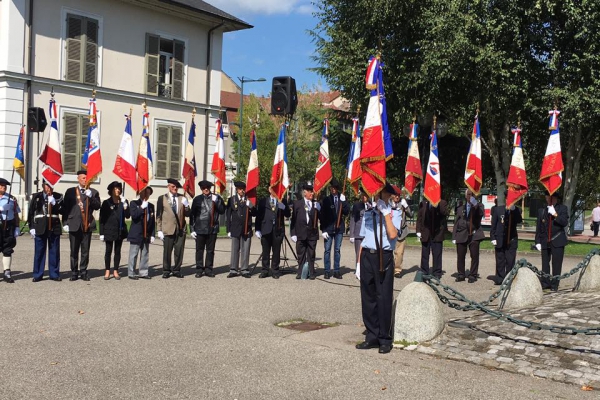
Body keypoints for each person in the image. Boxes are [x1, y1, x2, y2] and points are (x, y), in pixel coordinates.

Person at [355, 183, 401, 354]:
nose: (374, 195)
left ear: (387, 195)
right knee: (368, 297)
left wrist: (386, 214)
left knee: (383, 297)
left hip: (384, 256)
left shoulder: (395, 213)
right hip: (368, 255)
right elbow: (364, 239)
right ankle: (372, 336)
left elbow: (393, 234)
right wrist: (359, 263)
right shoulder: (368, 213)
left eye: (378, 193)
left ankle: (384, 339)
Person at [62, 170, 101, 281]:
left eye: (86, 178)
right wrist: (65, 223)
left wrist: (91, 197)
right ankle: (74, 272)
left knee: (85, 250)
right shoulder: (70, 191)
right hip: (74, 224)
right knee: (74, 250)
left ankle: (83, 271)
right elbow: (65, 208)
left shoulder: (93, 192)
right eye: (83, 178)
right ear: (78, 179)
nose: (85, 180)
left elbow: (98, 206)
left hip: (87, 224)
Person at [28, 180, 63, 282]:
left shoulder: (58, 196)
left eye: (51, 185)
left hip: (54, 227)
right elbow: (31, 213)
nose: (49, 187)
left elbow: (63, 210)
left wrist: (54, 203)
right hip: (40, 227)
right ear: (43, 185)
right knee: (39, 252)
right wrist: (32, 227)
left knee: (54, 252)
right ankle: (38, 274)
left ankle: (54, 274)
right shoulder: (36, 196)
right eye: (47, 185)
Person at [156, 178, 190, 278]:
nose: (175, 188)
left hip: (180, 228)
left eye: (176, 187)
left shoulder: (182, 198)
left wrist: (187, 205)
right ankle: (166, 270)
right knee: (167, 251)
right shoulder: (162, 198)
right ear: (168, 187)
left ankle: (176, 269)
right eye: (173, 186)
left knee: (179, 250)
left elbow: (188, 214)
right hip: (168, 228)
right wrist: (159, 230)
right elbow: (159, 215)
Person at [191, 180, 225, 278]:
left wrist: (217, 201)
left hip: (212, 228)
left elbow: (222, 211)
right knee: (199, 250)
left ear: (210, 188)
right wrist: (192, 229)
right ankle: (199, 269)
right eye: (203, 188)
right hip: (200, 228)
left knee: (210, 250)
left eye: (208, 188)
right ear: (201, 189)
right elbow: (192, 215)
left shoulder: (217, 198)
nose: (206, 189)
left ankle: (209, 269)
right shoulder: (197, 199)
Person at [535, 191, 568, 291]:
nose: (549, 199)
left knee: (556, 264)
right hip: (545, 240)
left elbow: (564, 222)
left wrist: (555, 214)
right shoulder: (542, 211)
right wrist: (537, 241)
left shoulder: (562, 208)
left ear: (556, 199)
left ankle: (554, 285)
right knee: (545, 263)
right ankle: (545, 282)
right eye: (548, 197)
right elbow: (539, 227)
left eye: (552, 198)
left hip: (557, 239)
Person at [255, 188, 291, 279]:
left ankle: (275, 270)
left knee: (276, 251)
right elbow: (259, 216)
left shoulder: (282, 200)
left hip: (278, 230)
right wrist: (257, 229)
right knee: (265, 251)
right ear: (269, 190)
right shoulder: (263, 201)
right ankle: (265, 270)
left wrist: (284, 207)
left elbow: (288, 214)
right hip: (266, 229)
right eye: (272, 188)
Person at [452, 189, 485, 283]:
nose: (470, 196)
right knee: (460, 256)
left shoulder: (479, 206)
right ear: (466, 196)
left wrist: (475, 205)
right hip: (462, 233)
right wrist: (454, 236)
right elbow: (456, 222)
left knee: (474, 256)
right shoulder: (460, 208)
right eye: (468, 194)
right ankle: (461, 274)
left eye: (472, 194)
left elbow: (480, 214)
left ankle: (473, 275)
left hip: (474, 234)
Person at [319, 179, 350, 279]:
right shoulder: (326, 200)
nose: (333, 189)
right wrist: (323, 229)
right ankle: (327, 270)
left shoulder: (342, 199)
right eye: (332, 187)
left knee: (337, 250)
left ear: (337, 189)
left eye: (335, 188)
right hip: (328, 228)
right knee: (327, 250)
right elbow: (322, 215)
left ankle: (336, 270)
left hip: (339, 229)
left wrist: (344, 202)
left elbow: (346, 211)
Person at [99, 182, 130, 280]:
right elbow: (102, 219)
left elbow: (128, 215)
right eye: (116, 189)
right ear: (111, 190)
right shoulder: (106, 202)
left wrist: (125, 206)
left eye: (119, 189)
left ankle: (115, 270)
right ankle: (107, 270)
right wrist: (101, 233)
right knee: (108, 251)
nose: (118, 190)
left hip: (119, 230)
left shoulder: (124, 202)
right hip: (109, 230)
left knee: (117, 251)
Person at [290, 183, 320, 280]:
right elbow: (293, 220)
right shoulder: (298, 204)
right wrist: (293, 233)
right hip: (301, 233)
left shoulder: (316, 204)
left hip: (312, 233)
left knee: (311, 254)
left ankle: (311, 272)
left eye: (312, 191)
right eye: (310, 192)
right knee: (301, 254)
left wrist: (319, 209)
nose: (312, 193)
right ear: (304, 193)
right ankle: (300, 272)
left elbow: (322, 218)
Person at [490, 195, 523, 285]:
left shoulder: (517, 210)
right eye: (508, 198)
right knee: (500, 260)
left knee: (510, 260)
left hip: (511, 239)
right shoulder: (498, 209)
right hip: (500, 238)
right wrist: (493, 237)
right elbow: (494, 225)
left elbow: (519, 220)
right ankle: (500, 278)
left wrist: (513, 210)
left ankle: (509, 278)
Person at [226, 181, 255, 278]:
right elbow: (228, 215)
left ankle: (244, 269)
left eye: (243, 189)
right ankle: (233, 269)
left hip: (247, 228)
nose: (242, 191)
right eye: (239, 189)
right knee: (235, 249)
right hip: (235, 228)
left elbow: (255, 213)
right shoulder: (231, 200)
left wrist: (250, 206)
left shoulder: (249, 200)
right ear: (237, 190)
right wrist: (228, 229)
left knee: (245, 249)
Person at [416, 197, 449, 279]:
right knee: (425, 254)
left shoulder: (442, 202)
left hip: (437, 233)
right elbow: (419, 218)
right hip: (426, 232)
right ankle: (424, 271)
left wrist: (438, 206)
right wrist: (418, 230)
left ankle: (437, 273)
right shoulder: (424, 203)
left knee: (437, 254)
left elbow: (445, 213)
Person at [127, 186, 155, 279]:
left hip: (146, 233)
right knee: (133, 254)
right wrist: (141, 208)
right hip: (136, 233)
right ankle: (131, 272)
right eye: (145, 193)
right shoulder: (134, 203)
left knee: (145, 254)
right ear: (140, 193)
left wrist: (152, 234)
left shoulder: (151, 206)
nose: (146, 195)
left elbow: (152, 221)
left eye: (148, 193)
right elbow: (134, 216)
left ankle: (143, 272)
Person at [0, 178, 20, 283]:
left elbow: (16, 213)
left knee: (7, 249)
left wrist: (17, 227)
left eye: (5, 186)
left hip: (8, 226)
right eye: (1, 185)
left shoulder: (12, 199)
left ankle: (7, 273)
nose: (3, 187)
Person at [391, 185, 413, 278]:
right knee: (389, 252)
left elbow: (411, 215)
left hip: (401, 232)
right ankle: (389, 268)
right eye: (395, 195)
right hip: (390, 232)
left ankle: (397, 270)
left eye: (398, 195)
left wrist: (406, 206)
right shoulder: (387, 204)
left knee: (399, 253)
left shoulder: (402, 204)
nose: (397, 197)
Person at [349, 191, 370, 272]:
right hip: (358, 233)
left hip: (368, 233)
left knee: (368, 253)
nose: (364, 197)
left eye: (365, 195)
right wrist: (351, 234)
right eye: (362, 195)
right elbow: (353, 219)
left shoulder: (371, 205)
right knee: (358, 252)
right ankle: (358, 269)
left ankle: (366, 269)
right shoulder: (356, 205)